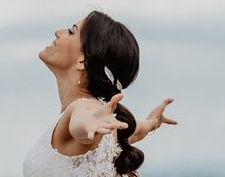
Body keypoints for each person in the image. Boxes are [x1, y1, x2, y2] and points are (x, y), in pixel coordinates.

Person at [23, 10, 177, 177]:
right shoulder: (110, 124)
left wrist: (89, 122)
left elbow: (81, 123)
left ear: (83, 61)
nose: (58, 32)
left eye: (71, 31)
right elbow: (135, 130)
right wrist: (152, 122)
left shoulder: (85, 111)